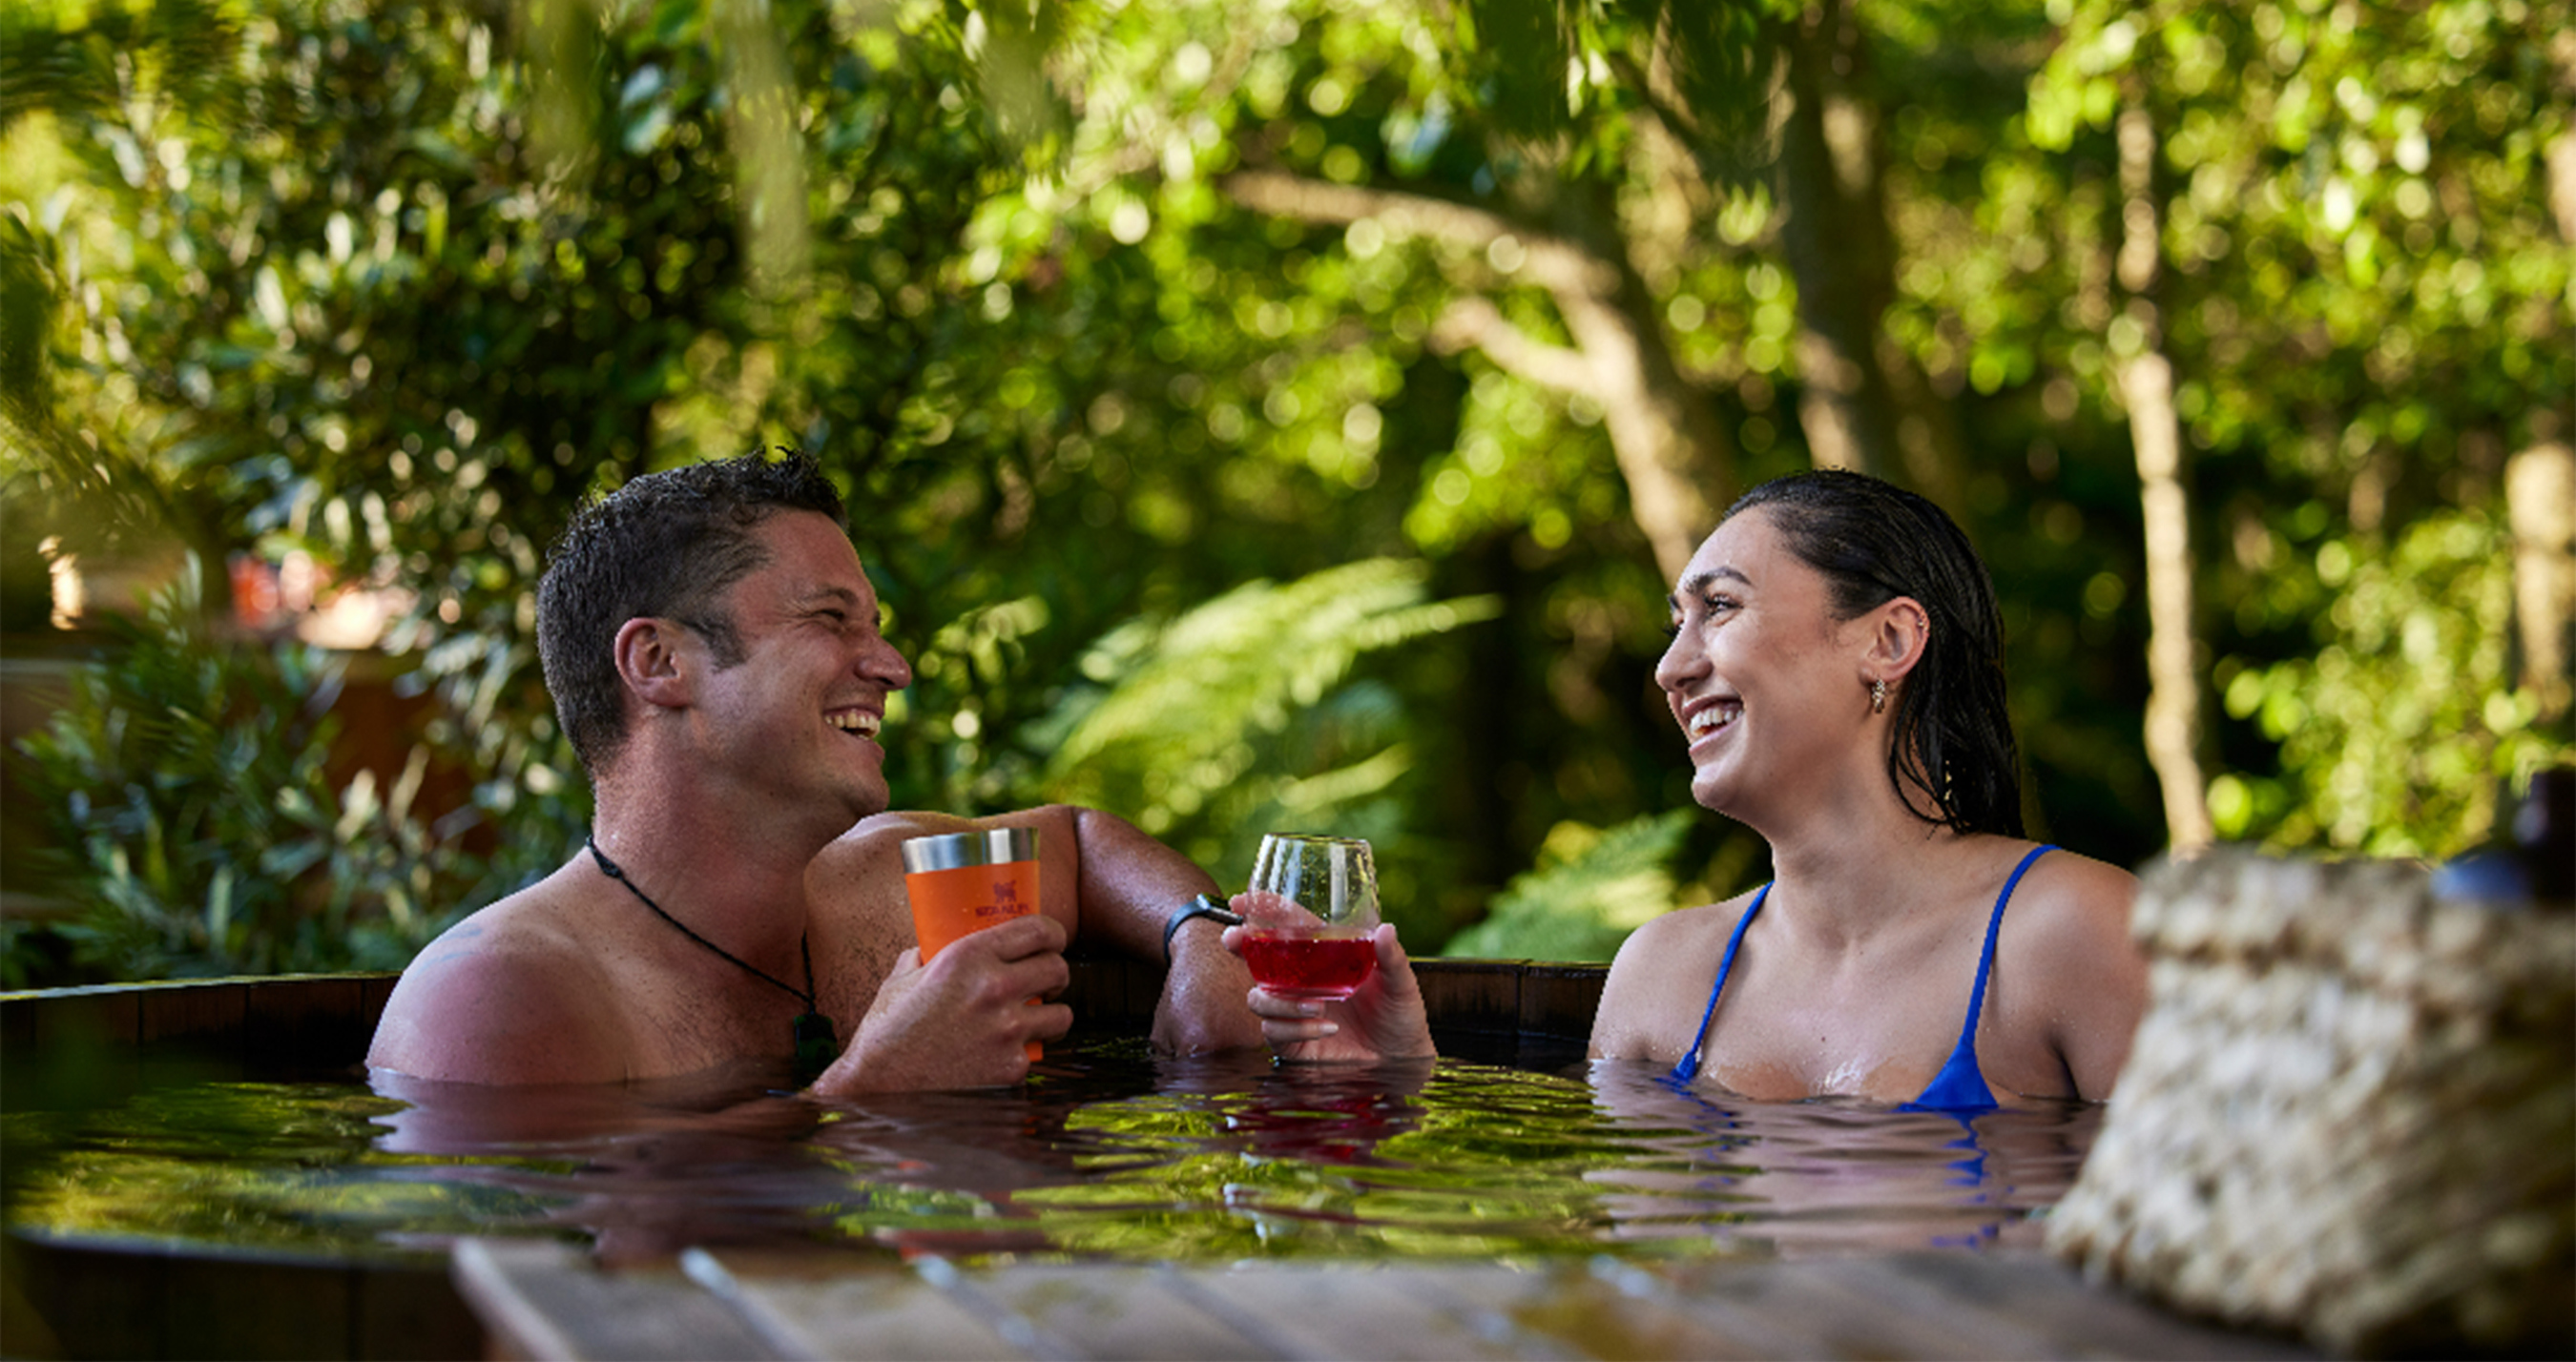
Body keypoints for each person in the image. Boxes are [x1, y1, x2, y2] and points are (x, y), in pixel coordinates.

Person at [1236, 469, 2149, 1108]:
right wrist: (1397, 1083)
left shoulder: (2075, 934)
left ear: (1888, 643)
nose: (1673, 667)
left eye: (1719, 607)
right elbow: (1620, 1290)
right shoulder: (1663, 977)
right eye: (1676, 622)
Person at [367, 450, 1260, 1091]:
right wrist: (875, 1090)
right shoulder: (495, 996)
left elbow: (1077, 841)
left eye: (875, 625)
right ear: (658, 664)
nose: (893, 667)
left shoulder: (888, 887)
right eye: (832, 619)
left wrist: (1201, 937)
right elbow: (550, 1294)